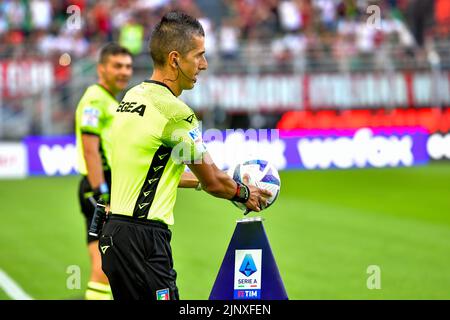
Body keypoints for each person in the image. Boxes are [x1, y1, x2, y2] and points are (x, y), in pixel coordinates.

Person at [99, 11, 272, 300]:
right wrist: (243, 193)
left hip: (114, 235)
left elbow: (151, 172)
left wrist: (209, 181)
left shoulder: (132, 97)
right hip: (144, 240)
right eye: (199, 56)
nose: (204, 65)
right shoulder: (176, 113)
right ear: (175, 59)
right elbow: (214, 180)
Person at [75, 43, 133, 300]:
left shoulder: (109, 100)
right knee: (103, 267)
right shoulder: (95, 99)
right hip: (100, 187)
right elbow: (91, 149)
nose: (124, 71)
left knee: (111, 265)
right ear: (101, 69)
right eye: (117, 66)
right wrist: (103, 195)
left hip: (108, 187)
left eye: (128, 66)